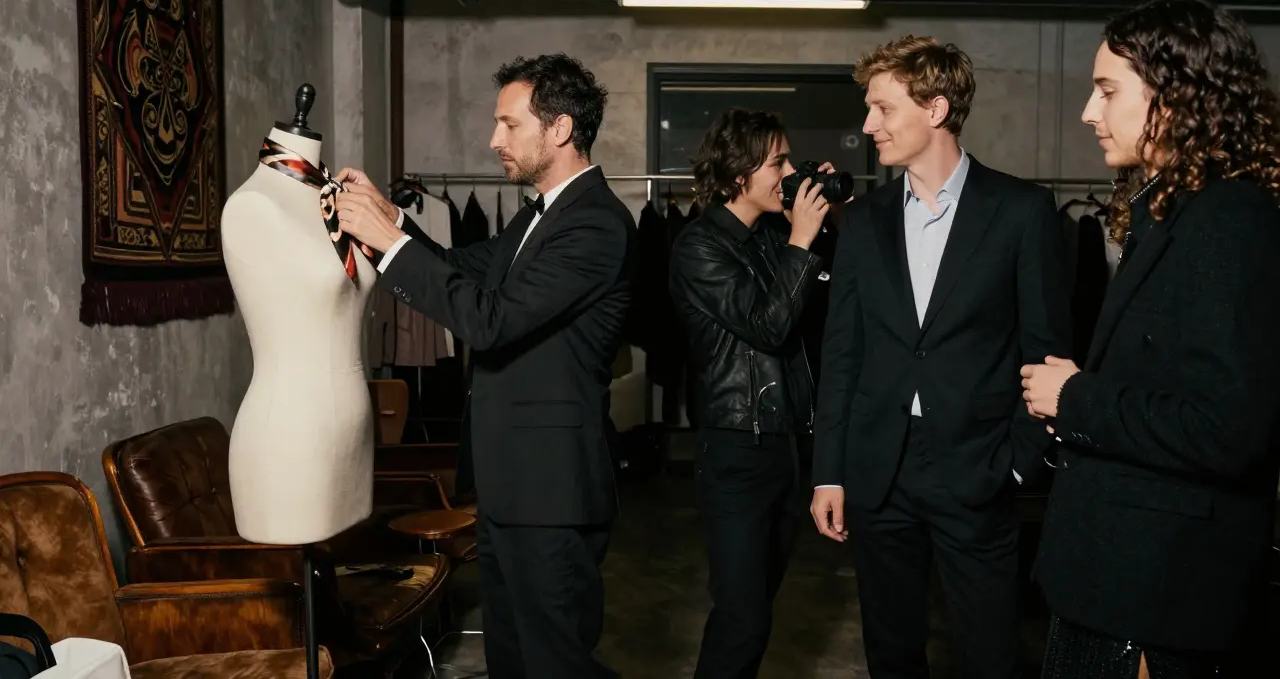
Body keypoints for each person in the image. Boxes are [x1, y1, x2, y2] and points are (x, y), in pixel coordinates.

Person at [334, 53, 635, 678]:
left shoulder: (597, 224)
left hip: (552, 489)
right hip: (510, 482)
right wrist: (391, 219)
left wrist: (389, 244)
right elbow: (461, 268)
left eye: (509, 124)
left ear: (559, 129)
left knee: (555, 663)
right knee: (512, 658)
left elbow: (489, 320)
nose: (494, 139)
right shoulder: (539, 214)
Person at [1022, 0, 1280, 678]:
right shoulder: (1179, 210)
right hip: (1120, 580)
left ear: (1176, 93)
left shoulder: (1229, 221)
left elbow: (1231, 431)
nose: (1089, 112)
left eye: (1108, 91)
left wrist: (1076, 398)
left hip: (1156, 596)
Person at [809, 35, 1072, 678]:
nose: (868, 125)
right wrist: (829, 473)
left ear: (935, 108)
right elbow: (842, 354)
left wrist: (1017, 465)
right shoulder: (863, 221)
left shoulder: (1021, 211)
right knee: (891, 654)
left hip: (979, 467)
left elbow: (1048, 352)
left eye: (883, 108)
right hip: (879, 470)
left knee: (988, 654)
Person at [669, 108, 832, 679]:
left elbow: (821, 315)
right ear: (739, 173)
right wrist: (802, 237)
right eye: (777, 163)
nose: (787, 173)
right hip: (736, 447)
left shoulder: (771, 237)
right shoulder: (698, 246)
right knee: (743, 617)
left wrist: (819, 224)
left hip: (785, 445)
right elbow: (768, 326)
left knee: (758, 607)